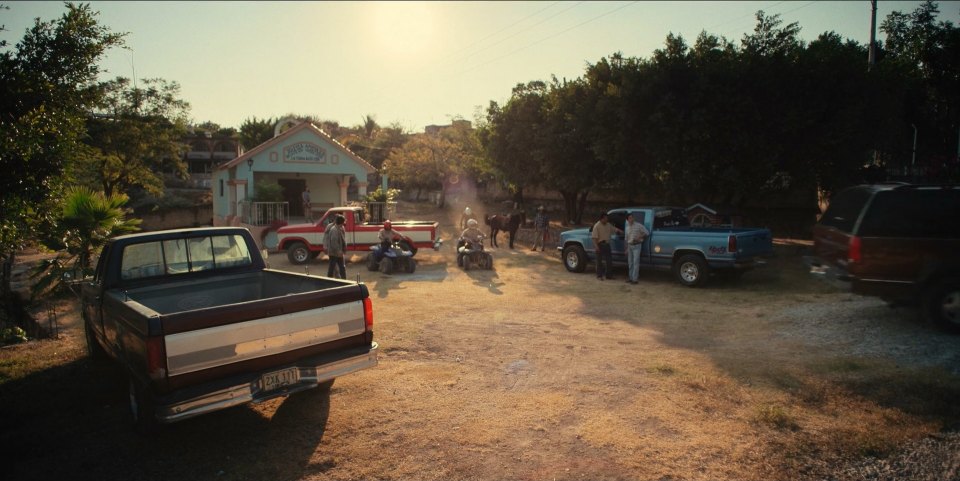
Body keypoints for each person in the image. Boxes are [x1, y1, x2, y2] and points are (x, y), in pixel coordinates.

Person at [591, 212, 621, 280]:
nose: (607, 219)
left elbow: (614, 229)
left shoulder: (608, 225)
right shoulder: (597, 226)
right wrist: (596, 247)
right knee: (599, 261)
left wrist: (622, 231)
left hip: (607, 245)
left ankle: (609, 275)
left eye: (607, 218)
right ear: (602, 219)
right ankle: (599, 276)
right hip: (600, 245)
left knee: (609, 261)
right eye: (605, 218)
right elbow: (594, 238)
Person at [624, 212, 650, 285]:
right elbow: (626, 239)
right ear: (627, 220)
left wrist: (640, 237)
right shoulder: (627, 228)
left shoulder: (639, 226)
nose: (631, 219)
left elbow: (647, 233)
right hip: (630, 246)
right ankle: (630, 278)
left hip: (637, 245)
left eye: (632, 217)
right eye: (630, 218)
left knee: (636, 262)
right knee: (630, 263)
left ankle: (635, 279)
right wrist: (626, 248)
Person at [323, 214, 347, 279]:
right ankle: (329, 280)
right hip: (334, 252)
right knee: (333, 267)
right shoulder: (333, 229)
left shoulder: (340, 228)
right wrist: (339, 251)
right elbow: (333, 242)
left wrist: (343, 248)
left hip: (339, 251)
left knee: (342, 267)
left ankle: (344, 280)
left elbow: (343, 238)